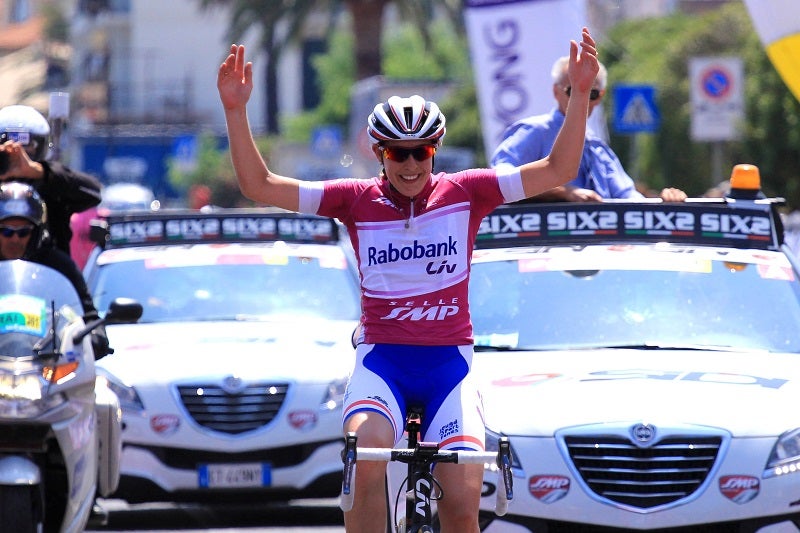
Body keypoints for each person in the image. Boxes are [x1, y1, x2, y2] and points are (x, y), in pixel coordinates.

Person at [218, 27, 598, 532]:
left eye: (421, 151)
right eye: (398, 153)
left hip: (449, 367)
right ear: (381, 154)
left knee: (462, 502)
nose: (411, 164)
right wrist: (236, 110)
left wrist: (578, 96)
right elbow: (259, 185)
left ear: (435, 150)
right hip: (383, 363)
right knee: (367, 459)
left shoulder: (470, 190)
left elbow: (558, 168)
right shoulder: (352, 198)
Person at [491, 56, 686, 202]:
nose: (581, 99)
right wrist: (563, 193)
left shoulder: (597, 147)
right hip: (543, 249)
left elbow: (628, 198)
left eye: (590, 93)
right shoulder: (534, 131)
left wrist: (665, 201)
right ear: (555, 92)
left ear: (600, 96)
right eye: (573, 91)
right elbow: (501, 178)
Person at [0, 181, 110, 359]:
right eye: (6, 232)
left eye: (23, 232)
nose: (14, 239)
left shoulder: (59, 266)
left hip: (48, 367)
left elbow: (88, 314)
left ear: (36, 232)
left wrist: (95, 336)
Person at [0, 104, 103, 256]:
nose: (17, 156)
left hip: (49, 272)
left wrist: (40, 172)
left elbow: (92, 193)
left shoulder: (52, 185)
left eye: (28, 149)